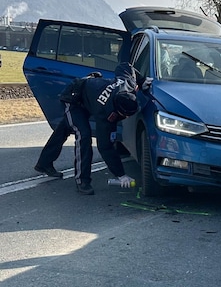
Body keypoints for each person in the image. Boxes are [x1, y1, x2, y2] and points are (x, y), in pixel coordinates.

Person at [35, 62, 147, 195]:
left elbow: (124, 66)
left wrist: (142, 80)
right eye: (124, 116)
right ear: (116, 110)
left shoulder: (127, 84)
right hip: (74, 99)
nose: (127, 118)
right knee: (83, 135)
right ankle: (82, 181)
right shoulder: (105, 113)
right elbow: (105, 147)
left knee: (63, 129)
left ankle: (44, 164)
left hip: (90, 96)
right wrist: (121, 174)